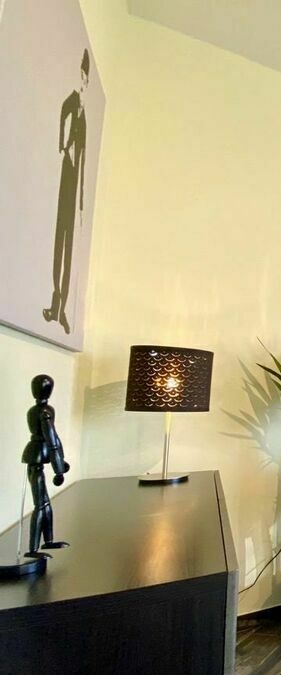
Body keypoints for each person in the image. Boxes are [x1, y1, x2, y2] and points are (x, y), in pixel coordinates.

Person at [43, 49, 89, 335]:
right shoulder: (70, 104)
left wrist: (82, 204)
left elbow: (84, 163)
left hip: (74, 193)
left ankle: (62, 311)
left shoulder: (84, 119)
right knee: (59, 245)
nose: (83, 83)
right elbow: (63, 143)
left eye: (86, 79)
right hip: (64, 181)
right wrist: (65, 148)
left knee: (70, 250)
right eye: (82, 76)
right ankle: (54, 300)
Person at [21, 375, 70, 558]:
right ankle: (33, 549)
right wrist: (58, 469)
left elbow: (54, 438)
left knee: (46, 504)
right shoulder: (44, 412)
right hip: (36, 459)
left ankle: (48, 541)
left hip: (36, 456)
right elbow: (51, 440)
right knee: (40, 505)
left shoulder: (35, 411)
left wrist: (60, 462)